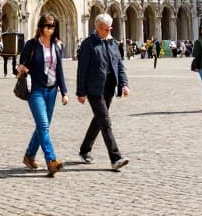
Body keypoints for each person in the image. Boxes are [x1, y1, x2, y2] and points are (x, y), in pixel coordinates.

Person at [76, 13, 130, 171]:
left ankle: (85, 150)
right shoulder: (88, 44)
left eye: (110, 28)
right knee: (105, 122)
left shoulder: (113, 43)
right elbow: (82, 70)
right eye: (106, 29)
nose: (109, 31)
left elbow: (119, 65)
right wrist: (81, 92)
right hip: (94, 88)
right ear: (98, 28)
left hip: (109, 87)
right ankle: (115, 157)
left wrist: (124, 84)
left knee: (99, 120)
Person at [16, 12, 68, 177]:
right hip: (35, 90)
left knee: (42, 127)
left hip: (52, 90)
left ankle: (29, 156)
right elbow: (19, 65)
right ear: (40, 28)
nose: (50, 29)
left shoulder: (57, 46)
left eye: (53, 26)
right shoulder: (31, 45)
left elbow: (59, 70)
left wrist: (64, 92)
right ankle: (51, 161)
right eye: (48, 26)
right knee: (44, 125)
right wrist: (20, 69)